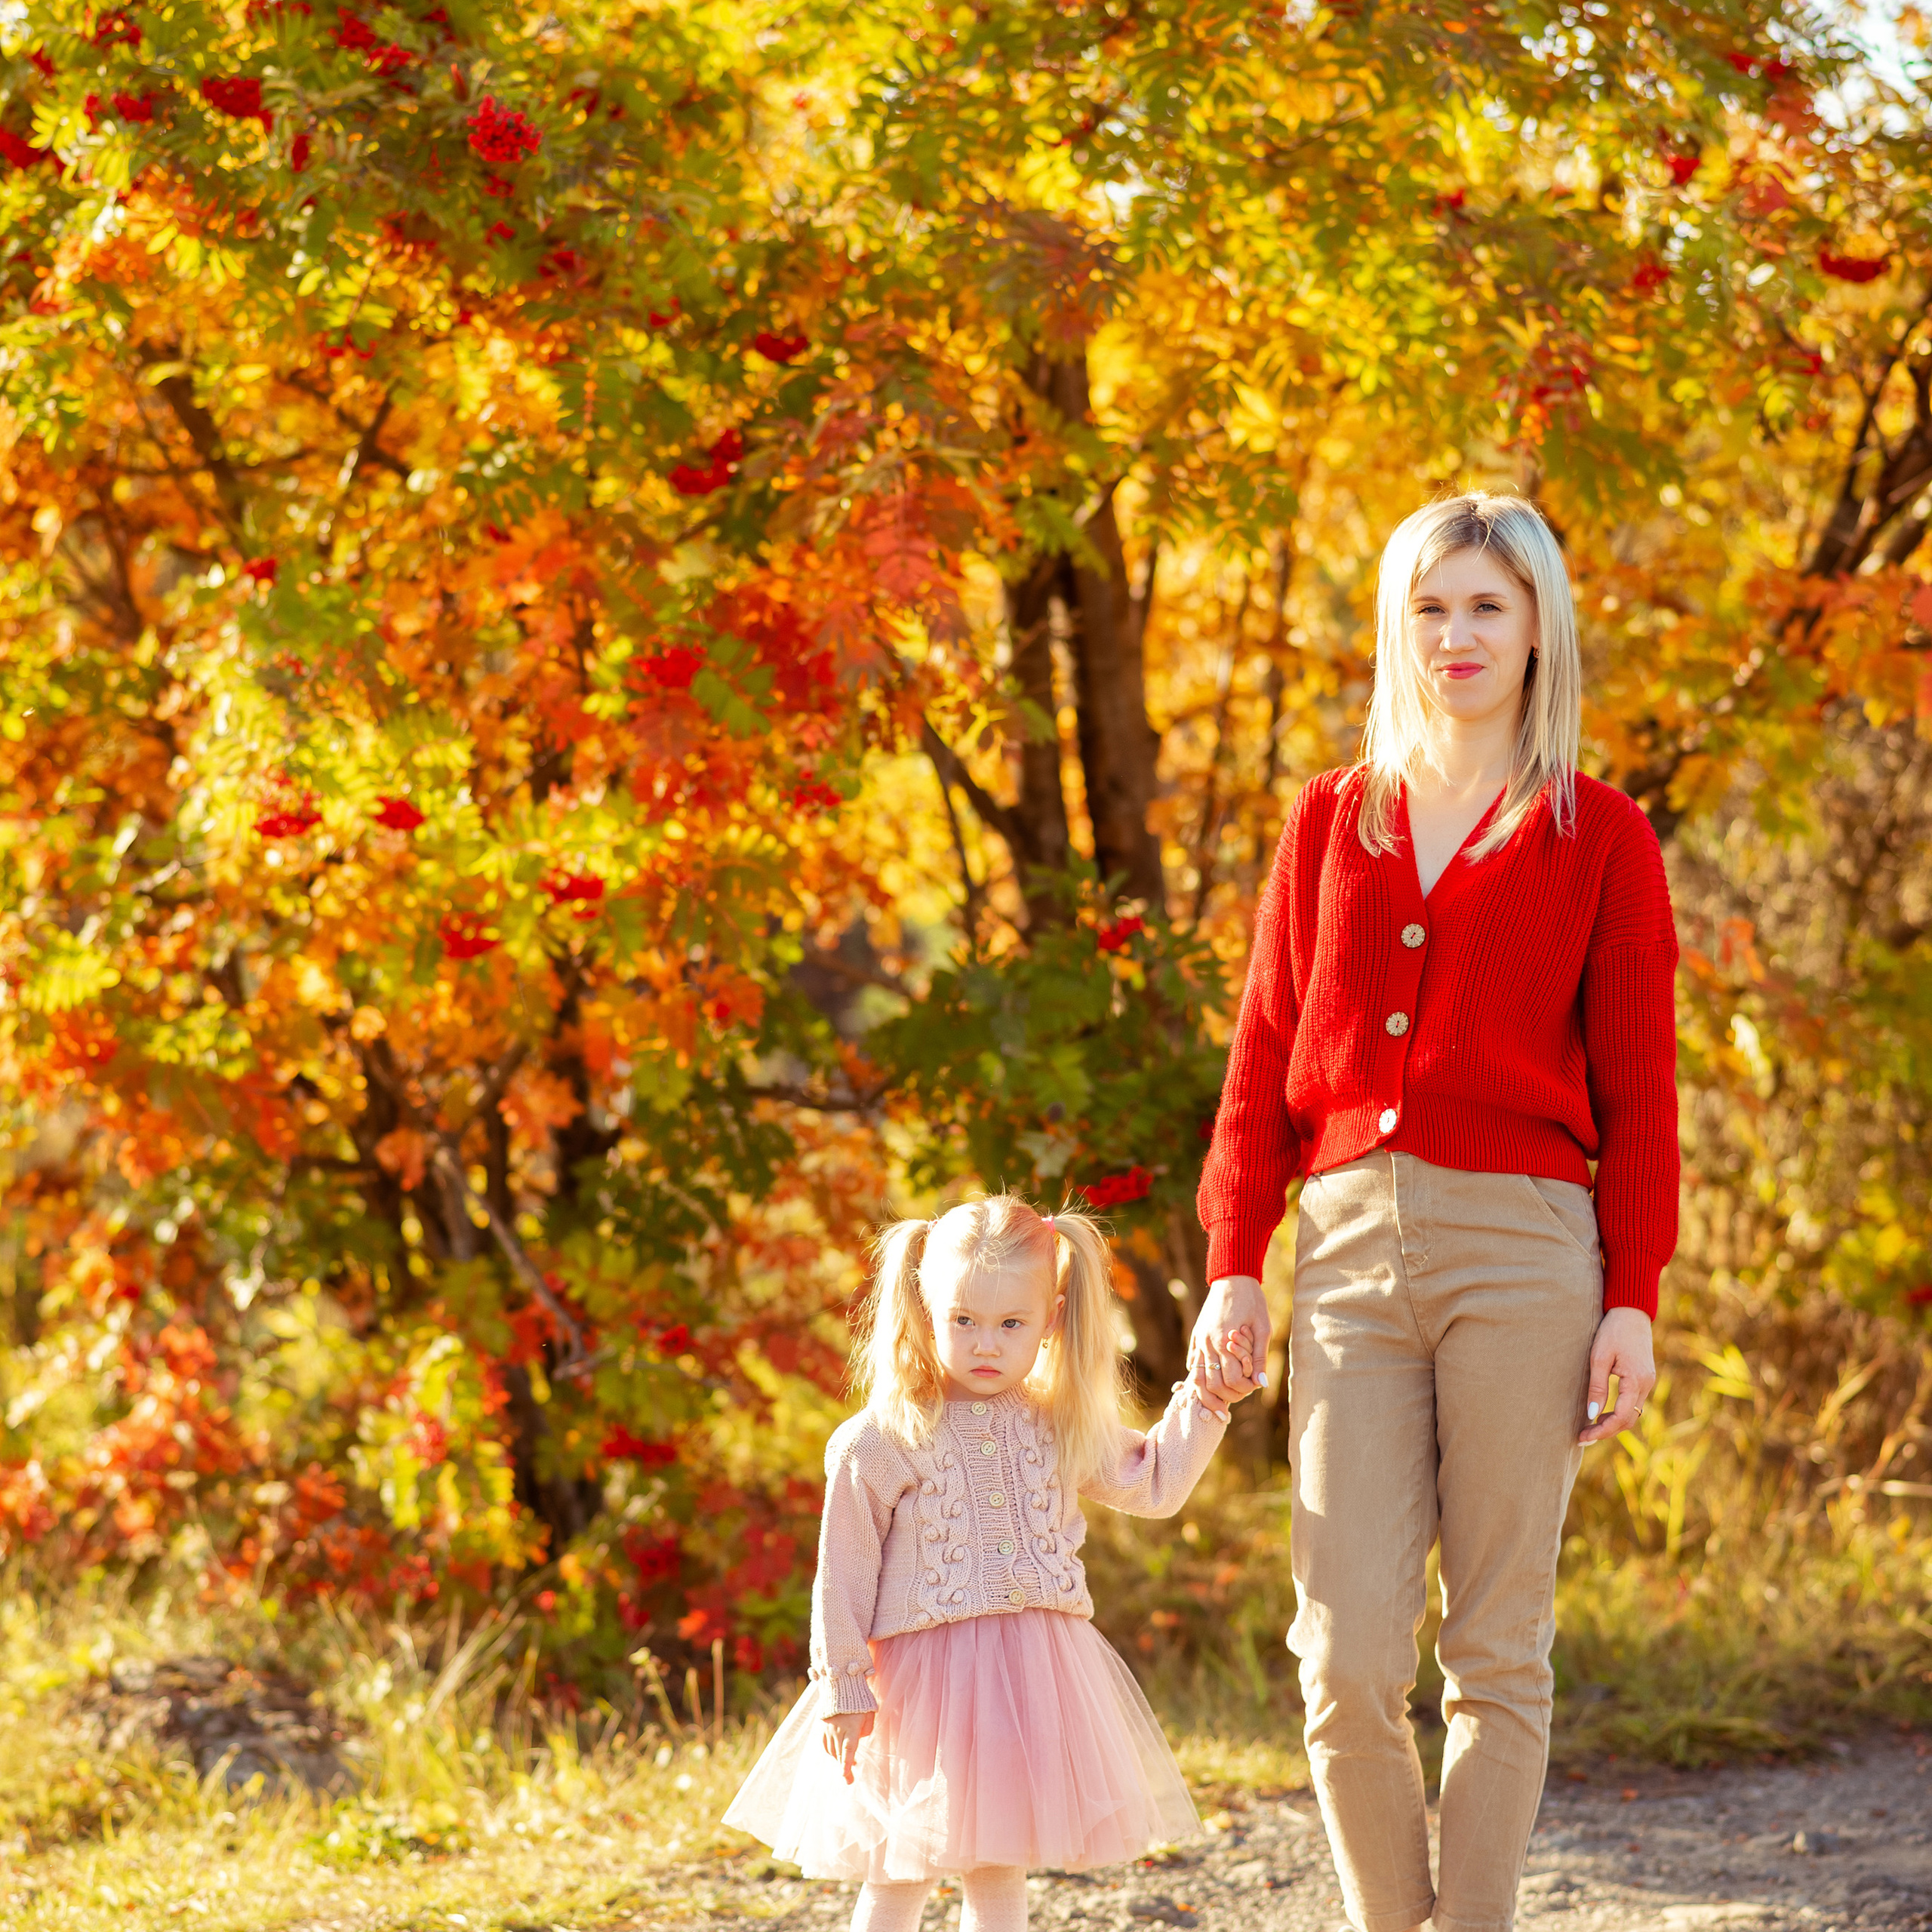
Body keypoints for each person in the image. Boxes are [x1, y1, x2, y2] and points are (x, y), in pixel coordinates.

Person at [1191, 491, 1678, 1932]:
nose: (1456, 636)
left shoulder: (1601, 836)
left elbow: (1642, 1097)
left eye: (1487, 607)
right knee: (1342, 1654)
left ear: (1539, 630)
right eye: (1431, 607)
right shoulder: (1329, 821)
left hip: (1529, 1255)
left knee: (1496, 1647)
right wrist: (1234, 1263)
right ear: (1398, 627)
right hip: (1341, 1254)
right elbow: (1262, 1057)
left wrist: (1633, 1295)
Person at [724, 1194, 1252, 1932]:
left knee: (998, 1862)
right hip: (916, 1688)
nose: (985, 1344)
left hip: (1028, 1679)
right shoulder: (878, 1438)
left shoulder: (1058, 1421)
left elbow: (1154, 1484)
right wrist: (844, 1685)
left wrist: (1207, 1400)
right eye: (963, 1320)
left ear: (1052, 1315)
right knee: (899, 1866)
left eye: (1011, 1324)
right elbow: (841, 1574)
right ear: (923, 1305)